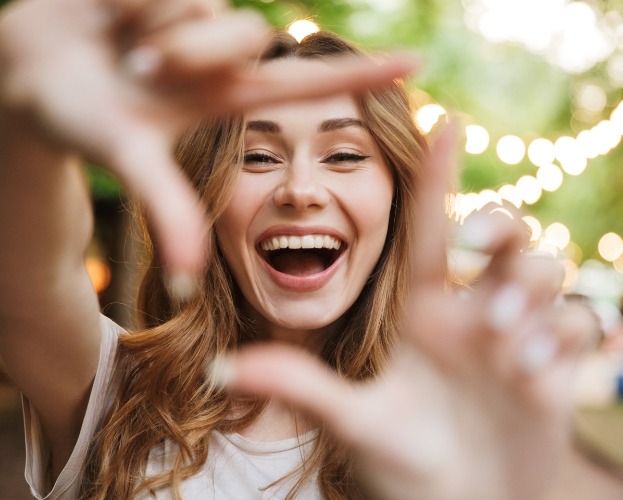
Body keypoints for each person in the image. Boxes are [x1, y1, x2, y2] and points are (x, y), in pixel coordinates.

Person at [0, 0, 597, 498]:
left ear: (399, 198)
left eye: (344, 155)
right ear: (206, 194)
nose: (301, 190)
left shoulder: (466, 420)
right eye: (257, 157)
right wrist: (24, 128)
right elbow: (28, 274)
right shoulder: (112, 392)